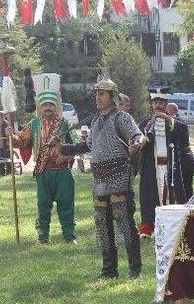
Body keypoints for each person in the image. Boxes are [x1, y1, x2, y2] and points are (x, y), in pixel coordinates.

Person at [61, 79, 146, 279]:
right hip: (99, 180)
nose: (98, 97)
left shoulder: (121, 118)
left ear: (112, 97)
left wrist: (136, 144)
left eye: (102, 94)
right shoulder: (95, 121)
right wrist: (66, 150)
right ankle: (109, 271)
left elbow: (137, 135)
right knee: (102, 225)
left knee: (123, 222)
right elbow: (88, 145)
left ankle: (135, 271)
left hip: (119, 176)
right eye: (96, 94)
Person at [9, 79, 79, 244]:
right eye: (45, 105)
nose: (48, 108)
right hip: (43, 172)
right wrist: (10, 134)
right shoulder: (33, 125)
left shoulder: (64, 124)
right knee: (43, 205)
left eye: (51, 105)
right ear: (40, 106)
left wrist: (67, 157)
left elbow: (76, 145)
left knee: (66, 205)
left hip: (63, 172)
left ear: (55, 106)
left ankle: (69, 236)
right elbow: (21, 142)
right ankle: (42, 237)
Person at [138, 96, 190, 238]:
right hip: (151, 167)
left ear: (166, 105)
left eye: (161, 103)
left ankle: (174, 225)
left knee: (173, 194)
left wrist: (167, 119)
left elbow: (184, 133)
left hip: (170, 165)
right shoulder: (146, 120)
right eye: (155, 103)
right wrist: (148, 128)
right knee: (150, 195)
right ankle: (147, 227)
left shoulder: (172, 121)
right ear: (152, 104)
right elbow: (137, 137)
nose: (158, 106)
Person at [166, 103, 194, 199]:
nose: (167, 114)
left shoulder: (178, 123)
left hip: (183, 158)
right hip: (186, 156)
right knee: (186, 188)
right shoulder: (179, 122)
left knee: (183, 188)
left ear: (175, 112)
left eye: (168, 112)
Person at [0, 111, 11, 176]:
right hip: (1, 145)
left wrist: (7, 141)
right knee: (0, 159)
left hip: (6, 144)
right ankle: (2, 173)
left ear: (2, 116)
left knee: (7, 159)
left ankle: (9, 172)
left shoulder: (6, 124)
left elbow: (8, 134)